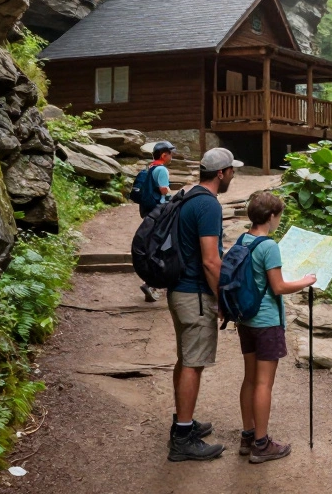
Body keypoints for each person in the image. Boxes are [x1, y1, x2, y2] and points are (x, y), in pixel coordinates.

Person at [166, 147, 243, 462]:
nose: (233, 175)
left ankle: (182, 422)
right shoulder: (208, 205)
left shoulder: (187, 197)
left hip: (178, 291)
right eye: (232, 171)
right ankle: (183, 439)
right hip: (195, 294)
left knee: (185, 360)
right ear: (222, 173)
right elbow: (211, 261)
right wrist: (223, 299)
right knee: (194, 364)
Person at [236, 192, 316, 464]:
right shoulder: (269, 246)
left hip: (245, 320)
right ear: (271, 217)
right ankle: (262, 443)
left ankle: (247, 436)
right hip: (267, 322)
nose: (279, 220)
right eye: (279, 216)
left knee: (249, 379)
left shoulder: (243, 239)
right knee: (264, 383)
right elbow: (279, 287)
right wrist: (306, 281)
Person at [138, 141, 176, 303]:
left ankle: (152, 283)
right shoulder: (161, 170)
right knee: (162, 245)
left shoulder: (151, 167)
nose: (172, 156)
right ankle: (151, 283)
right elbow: (163, 190)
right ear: (163, 155)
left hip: (150, 211)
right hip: (160, 211)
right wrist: (174, 198)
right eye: (170, 153)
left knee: (155, 244)